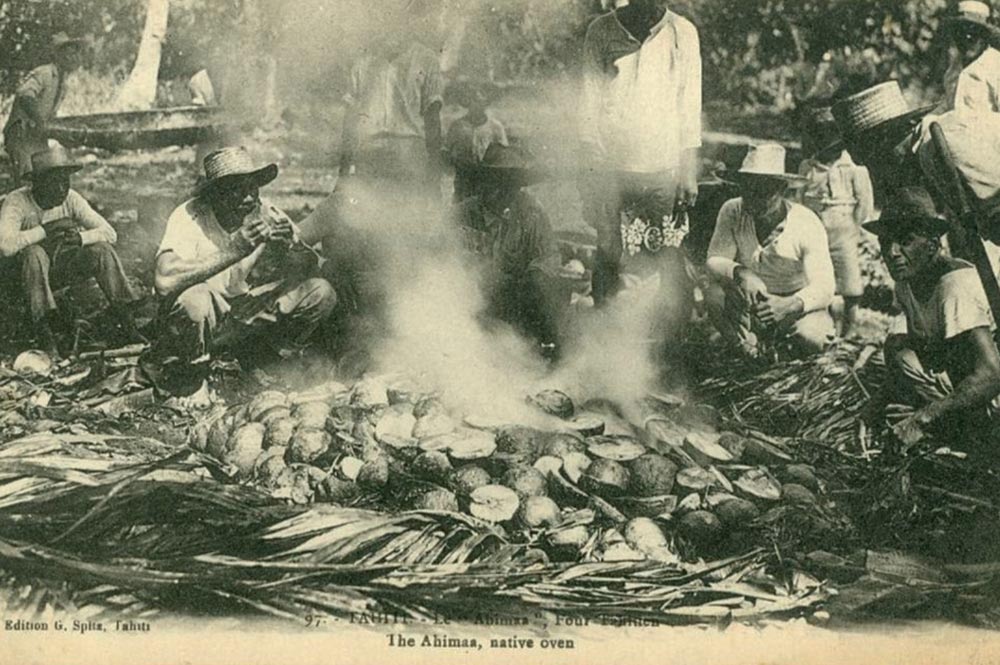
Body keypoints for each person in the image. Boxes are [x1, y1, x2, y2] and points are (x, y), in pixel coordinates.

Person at [149, 147, 336, 394]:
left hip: (242, 310)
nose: (248, 198)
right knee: (195, 299)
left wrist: (289, 247)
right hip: (200, 318)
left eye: (252, 188)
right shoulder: (190, 215)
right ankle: (195, 377)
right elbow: (164, 280)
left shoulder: (265, 211)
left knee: (319, 292)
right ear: (214, 193)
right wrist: (235, 250)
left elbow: (309, 266)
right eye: (236, 190)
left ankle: (265, 361)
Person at [579, 0, 701, 305]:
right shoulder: (602, 30)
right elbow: (589, 101)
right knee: (609, 250)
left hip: (662, 167)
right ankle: (602, 335)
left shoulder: (682, 32)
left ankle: (663, 338)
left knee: (664, 254)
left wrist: (687, 171)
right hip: (611, 166)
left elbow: (689, 106)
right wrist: (592, 165)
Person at [863, 186, 1000, 448]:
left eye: (905, 240)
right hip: (956, 376)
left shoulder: (954, 287)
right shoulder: (907, 281)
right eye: (885, 242)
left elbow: (993, 373)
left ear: (933, 245)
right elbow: (920, 349)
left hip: (989, 391)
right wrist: (876, 403)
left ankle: (970, 430)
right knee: (896, 348)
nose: (892, 252)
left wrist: (923, 418)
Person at [0, 146, 139, 355]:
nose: (61, 189)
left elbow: (110, 233)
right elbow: (6, 246)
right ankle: (45, 332)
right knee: (34, 253)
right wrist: (45, 231)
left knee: (101, 250)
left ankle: (128, 323)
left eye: (65, 182)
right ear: (37, 183)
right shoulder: (17, 201)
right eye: (53, 182)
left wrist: (80, 238)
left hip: (57, 272)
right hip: (20, 278)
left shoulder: (71, 198)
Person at [704, 144, 837, 358]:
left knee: (811, 336)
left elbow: (825, 286)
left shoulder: (806, 222)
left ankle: (778, 349)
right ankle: (747, 349)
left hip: (793, 306)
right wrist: (740, 272)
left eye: (764, 190)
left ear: (782, 190)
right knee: (714, 295)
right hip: (751, 303)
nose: (754, 197)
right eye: (748, 187)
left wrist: (788, 305)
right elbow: (715, 259)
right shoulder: (733, 210)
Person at [453, 145, 569, 348]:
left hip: (514, 299)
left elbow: (549, 256)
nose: (497, 191)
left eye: (507, 185)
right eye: (491, 182)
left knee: (552, 299)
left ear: (515, 188)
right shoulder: (462, 214)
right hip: (469, 300)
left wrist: (529, 284)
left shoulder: (531, 212)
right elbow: (437, 258)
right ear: (481, 182)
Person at [337, 2, 445, 192]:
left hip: (409, 155)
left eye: (402, 17)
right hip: (370, 155)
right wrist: (343, 174)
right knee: (370, 217)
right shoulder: (363, 62)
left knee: (407, 217)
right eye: (388, 15)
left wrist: (434, 174)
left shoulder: (426, 60)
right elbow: (350, 121)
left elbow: (433, 119)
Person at [798, 105, 875, 337]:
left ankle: (850, 328)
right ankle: (827, 326)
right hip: (816, 231)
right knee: (820, 277)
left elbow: (864, 203)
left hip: (844, 230)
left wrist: (853, 227)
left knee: (849, 281)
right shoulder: (808, 168)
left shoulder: (854, 169)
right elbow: (799, 200)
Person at [3, 32, 86, 186]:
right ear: (58, 55)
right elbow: (24, 95)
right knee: (25, 179)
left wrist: (61, 134)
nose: (75, 57)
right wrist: (40, 122)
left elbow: (50, 117)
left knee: (44, 177)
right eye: (70, 52)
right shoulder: (44, 73)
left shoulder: (63, 84)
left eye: (76, 52)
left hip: (37, 136)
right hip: (21, 134)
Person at [444, 80, 509, 202]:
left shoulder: (496, 127)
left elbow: (504, 157)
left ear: (486, 103)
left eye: (481, 101)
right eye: (474, 100)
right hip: (464, 181)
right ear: (468, 103)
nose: (478, 105)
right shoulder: (458, 126)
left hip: (487, 182)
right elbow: (447, 153)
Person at [936, 1, 1000, 115]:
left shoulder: (995, 65)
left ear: (985, 36)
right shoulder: (954, 69)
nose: (968, 37)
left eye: (974, 31)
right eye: (961, 31)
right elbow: (947, 105)